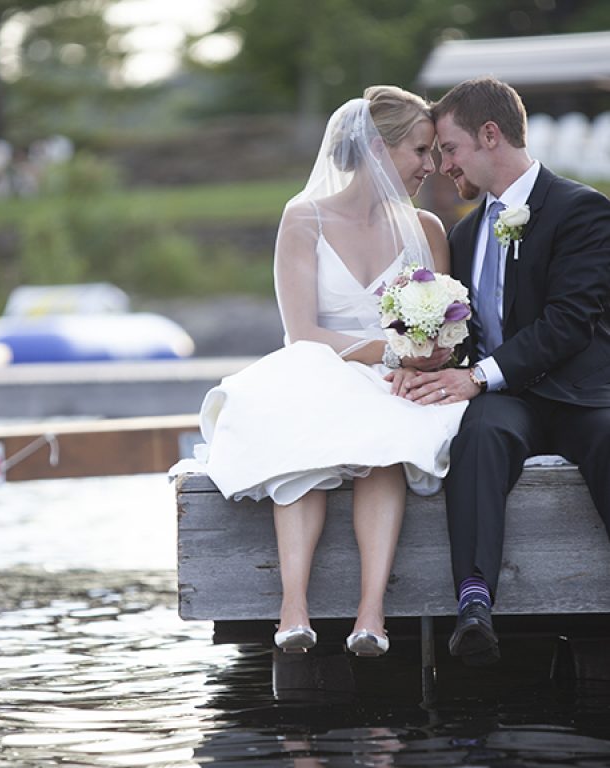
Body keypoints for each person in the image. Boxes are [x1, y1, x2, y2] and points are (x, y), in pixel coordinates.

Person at [173, 86, 468, 657]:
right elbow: (303, 331)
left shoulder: (427, 229)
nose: (431, 166)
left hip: (392, 384)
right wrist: (388, 352)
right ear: (378, 149)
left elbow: (442, 338)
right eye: (421, 150)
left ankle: (371, 613)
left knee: (388, 440)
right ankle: (293, 609)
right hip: (321, 366)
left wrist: (423, 362)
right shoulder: (303, 217)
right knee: (302, 432)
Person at [403, 77, 610, 666]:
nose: (442, 166)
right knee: (481, 433)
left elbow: (570, 322)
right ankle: (473, 603)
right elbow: (467, 335)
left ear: (490, 136)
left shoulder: (582, 209)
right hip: (506, 399)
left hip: (581, 392)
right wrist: (427, 360)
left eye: (449, 149)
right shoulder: (465, 234)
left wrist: (476, 376)